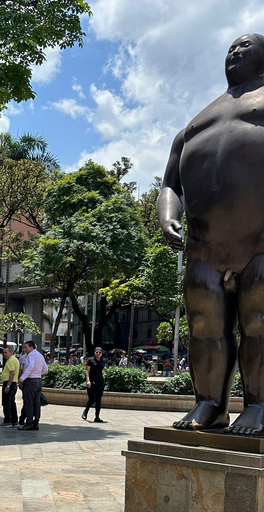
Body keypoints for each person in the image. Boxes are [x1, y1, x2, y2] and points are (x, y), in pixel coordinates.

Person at [156, 33, 264, 435]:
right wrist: (167, 213)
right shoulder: (197, 120)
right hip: (204, 243)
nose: (235, 51)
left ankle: (259, 404)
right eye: (231, 47)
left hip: (258, 238)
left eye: (246, 45)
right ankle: (209, 404)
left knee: (259, 321)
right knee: (204, 326)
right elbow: (170, 184)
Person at [18, 341, 48, 431]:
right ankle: (36, 422)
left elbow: (30, 366)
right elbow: (45, 369)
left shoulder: (31, 355)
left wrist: (22, 378)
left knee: (29, 403)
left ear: (31, 347)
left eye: (26, 347)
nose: (25, 349)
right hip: (38, 380)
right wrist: (37, 373)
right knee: (36, 403)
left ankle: (29, 422)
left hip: (30, 381)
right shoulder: (39, 355)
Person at [82, 347, 106, 423]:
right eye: (97, 352)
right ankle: (85, 411)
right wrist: (88, 380)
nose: (98, 354)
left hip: (100, 382)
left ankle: (97, 417)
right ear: (94, 352)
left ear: (102, 353)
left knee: (98, 400)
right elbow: (87, 371)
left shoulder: (102, 360)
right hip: (92, 382)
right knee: (92, 399)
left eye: (100, 352)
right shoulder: (90, 360)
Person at [0, 346, 19, 427]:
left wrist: (8, 386)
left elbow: (12, 373)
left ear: (11, 352)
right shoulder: (14, 360)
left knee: (6, 403)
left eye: (6, 352)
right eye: (3, 353)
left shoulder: (11, 360)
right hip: (13, 383)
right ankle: (14, 420)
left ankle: (7, 421)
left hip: (9, 383)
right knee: (11, 402)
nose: (4, 354)